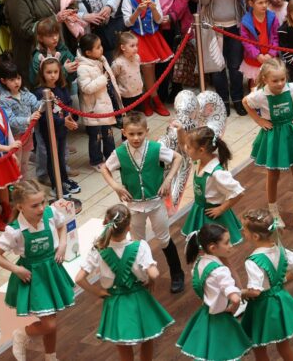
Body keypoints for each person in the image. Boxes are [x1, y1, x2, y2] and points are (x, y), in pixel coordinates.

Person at [100, 111, 186, 293]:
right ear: (124, 132)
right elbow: (105, 168)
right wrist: (116, 186)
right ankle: (141, 276)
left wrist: (168, 179)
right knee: (137, 242)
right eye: (131, 134)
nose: (136, 137)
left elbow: (178, 158)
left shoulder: (155, 148)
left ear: (146, 131)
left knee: (164, 239)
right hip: (134, 206)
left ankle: (177, 273)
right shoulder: (120, 152)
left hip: (156, 203)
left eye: (140, 133)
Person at [0, 180, 75, 361]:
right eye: (35, 205)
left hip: (51, 270)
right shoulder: (14, 231)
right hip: (33, 278)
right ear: (20, 207)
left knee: (50, 318)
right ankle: (21, 334)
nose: (41, 208)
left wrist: (62, 244)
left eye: (43, 202)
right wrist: (16, 269)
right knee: (50, 324)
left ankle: (50, 356)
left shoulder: (51, 213)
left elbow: (62, 226)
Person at [75, 205, 175, 359]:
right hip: (140, 298)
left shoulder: (98, 249)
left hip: (115, 301)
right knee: (147, 337)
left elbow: (79, 279)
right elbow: (154, 274)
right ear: (129, 227)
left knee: (122, 341)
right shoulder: (140, 246)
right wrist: (149, 279)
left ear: (105, 223)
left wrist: (98, 292)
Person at [243, 59, 293, 222]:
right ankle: (273, 209)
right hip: (274, 136)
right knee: (272, 175)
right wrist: (259, 120)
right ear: (265, 80)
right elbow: (245, 102)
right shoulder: (260, 95)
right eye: (275, 80)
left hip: (292, 133)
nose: (280, 83)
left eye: (282, 79)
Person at [240, 207, 293, 361]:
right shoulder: (282, 251)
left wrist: (241, 292)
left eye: (244, 230)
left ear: (255, 236)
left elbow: (255, 291)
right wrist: (282, 281)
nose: (242, 233)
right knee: (284, 347)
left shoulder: (253, 261)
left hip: (262, 307)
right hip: (281, 301)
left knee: (259, 348)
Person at [177, 223, 252, 361]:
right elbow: (235, 298)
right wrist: (233, 308)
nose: (231, 246)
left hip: (205, 315)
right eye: (227, 243)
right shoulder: (220, 271)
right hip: (221, 318)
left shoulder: (199, 263)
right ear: (212, 247)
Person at [196, 0, 247, 116]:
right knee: (217, 67)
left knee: (235, 66)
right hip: (213, 26)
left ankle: (237, 99)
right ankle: (223, 101)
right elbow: (203, 1)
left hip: (234, 24)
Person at [180, 126, 245, 251]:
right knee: (207, 249)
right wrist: (179, 131)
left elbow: (239, 192)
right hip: (199, 211)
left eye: (189, 147)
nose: (185, 149)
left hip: (213, 216)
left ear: (201, 150)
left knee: (217, 249)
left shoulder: (217, 173)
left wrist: (221, 209)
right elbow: (183, 144)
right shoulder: (198, 160)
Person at [121, 0, 173, 116]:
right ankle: (153, 101)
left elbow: (158, 20)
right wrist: (137, 11)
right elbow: (127, 22)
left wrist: (154, 9)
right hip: (137, 39)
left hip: (153, 38)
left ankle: (148, 101)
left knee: (150, 72)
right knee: (146, 72)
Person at [33, 57, 79, 199]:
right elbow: (46, 116)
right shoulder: (41, 92)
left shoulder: (62, 88)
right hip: (50, 131)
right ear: (42, 74)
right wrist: (63, 122)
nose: (53, 75)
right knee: (53, 158)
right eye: (49, 72)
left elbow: (68, 104)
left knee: (61, 156)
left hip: (62, 129)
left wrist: (71, 118)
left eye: (55, 72)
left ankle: (64, 180)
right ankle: (55, 185)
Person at [76, 33, 120, 170]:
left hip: (105, 105)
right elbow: (86, 88)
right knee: (96, 137)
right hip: (93, 109)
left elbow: (110, 78)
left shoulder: (101, 59)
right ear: (88, 52)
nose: (102, 49)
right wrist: (102, 79)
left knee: (109, 134)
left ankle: (111, 158)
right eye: (98, 47)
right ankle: (96, 161)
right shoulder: (82, 68)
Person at [0, 62, 41, 181]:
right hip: (15, 136)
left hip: (28, 133)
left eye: (18, 78)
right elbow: (10, 120)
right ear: (3, 81)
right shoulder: (3, 99)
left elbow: (36, 104)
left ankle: (24, 184)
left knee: (25, 162)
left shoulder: (25, 92)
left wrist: (46, 101)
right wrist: (28, 119)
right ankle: (16, 187)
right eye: (12, 79)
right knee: (15, 162)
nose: (17, 82)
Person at [239, 0, 279, 87]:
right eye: (260, 3)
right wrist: (257, 55)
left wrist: (271, 54)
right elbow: (246, 41)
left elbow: (276, 37)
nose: (264, 5)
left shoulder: (272, 18)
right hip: (254, 60)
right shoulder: (246, 21)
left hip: (270, 59)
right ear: (251, 4)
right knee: (255, 87)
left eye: (266, 2)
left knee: (271, 86)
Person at [110, 32, 144, 112]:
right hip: (126, 96)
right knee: (129, 117)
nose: (136, 48)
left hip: (139, 93)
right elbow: (112, 78)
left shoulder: (137, 57)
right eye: (132, 46)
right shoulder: (118, 63)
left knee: (139, 115)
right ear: (123, 47)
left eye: (136, 45)